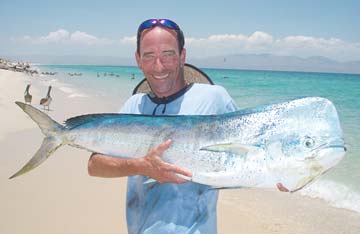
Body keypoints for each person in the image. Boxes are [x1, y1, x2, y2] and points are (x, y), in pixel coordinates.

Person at [88, 18, 287, 234]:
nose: (159, 65)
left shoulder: (214, 98)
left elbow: (254, 150)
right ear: (138, 60)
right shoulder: (133, 106)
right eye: (149, 56)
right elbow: (94, 166)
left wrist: (281, 175)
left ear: (182, 56)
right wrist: (141, 166)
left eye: (168, 54)